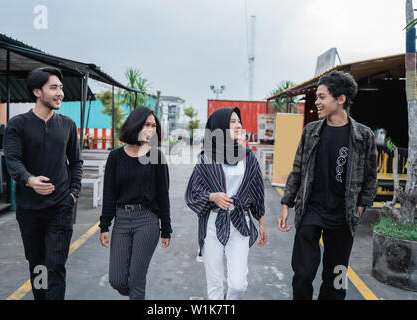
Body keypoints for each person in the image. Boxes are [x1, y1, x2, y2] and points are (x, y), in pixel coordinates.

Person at [277, 70, 378, 300]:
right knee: (302, 274)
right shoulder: (311, 131)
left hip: (343, 218)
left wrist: (360, 208)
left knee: (337, 280)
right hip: (310, 212)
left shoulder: (363, 136)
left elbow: (371, 178)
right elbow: (298, 170)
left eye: (322, 97)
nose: (317, 102)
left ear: (340, 99)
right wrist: (286, 203)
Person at [4, 67, 83, 300]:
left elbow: (76, 161)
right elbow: (13, 160)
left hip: (61, 207)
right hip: (29, 210)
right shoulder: (18, 124)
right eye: (54, 88)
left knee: (56, 266)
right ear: (37, 91)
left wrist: (73, 193)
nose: (60, 93)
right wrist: (29, 180)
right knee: (38, 265)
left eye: (60, 87)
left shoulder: (67, 125)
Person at [185, 107, 267, 300]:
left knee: (238, 284)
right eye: (232, 122)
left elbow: (257, 191)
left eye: (239, 121)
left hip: (240, 223)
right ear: (219, 127)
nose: (238, 125)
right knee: (214, 286)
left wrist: (261, 222)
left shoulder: (248, 157)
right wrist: (212, 197)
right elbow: (192, 192)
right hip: (213, 224)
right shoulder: (206, 158)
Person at [99, 106, 172, 300]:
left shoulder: (156, 156)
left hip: (147, 220)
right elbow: (109, 194)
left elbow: (163, 195)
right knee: (117, 280)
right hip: (122, 219)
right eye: (146, 124)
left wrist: (166, 228)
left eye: (153, 126)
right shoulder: (115, 156)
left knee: (137, 280)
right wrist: (104, 225)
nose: (150, 130)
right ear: (135, 125)